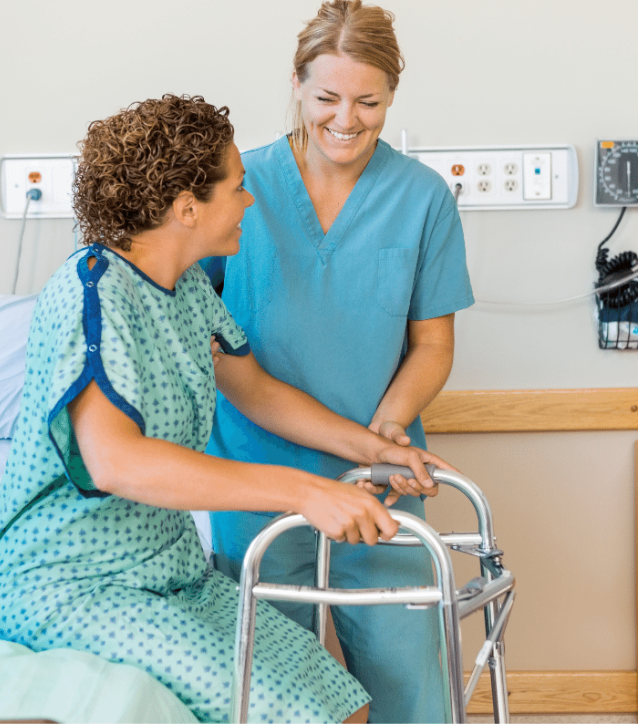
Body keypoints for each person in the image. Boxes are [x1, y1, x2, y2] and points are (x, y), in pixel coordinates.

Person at [0, 94, 452, 724]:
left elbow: (253, 388)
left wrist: (376, 449)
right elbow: (115, 461)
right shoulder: (92, 289)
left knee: (345, 708)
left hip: (172, 574)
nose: (250, 201)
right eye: (238, 188)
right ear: (187, 207)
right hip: (73, 584)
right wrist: (305, 493)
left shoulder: (190, 287)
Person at [201, 2, 475, 722]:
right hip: (257, 479)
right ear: (296, 85)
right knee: (269, 693)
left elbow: (433, 344)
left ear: (391, 96)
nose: (346, 119)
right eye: (327, 98)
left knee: (412, 681)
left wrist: (386, 432)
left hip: (381, 478)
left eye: (368, 101)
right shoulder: (236, 192)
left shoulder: (420, 199)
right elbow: (223, 359)